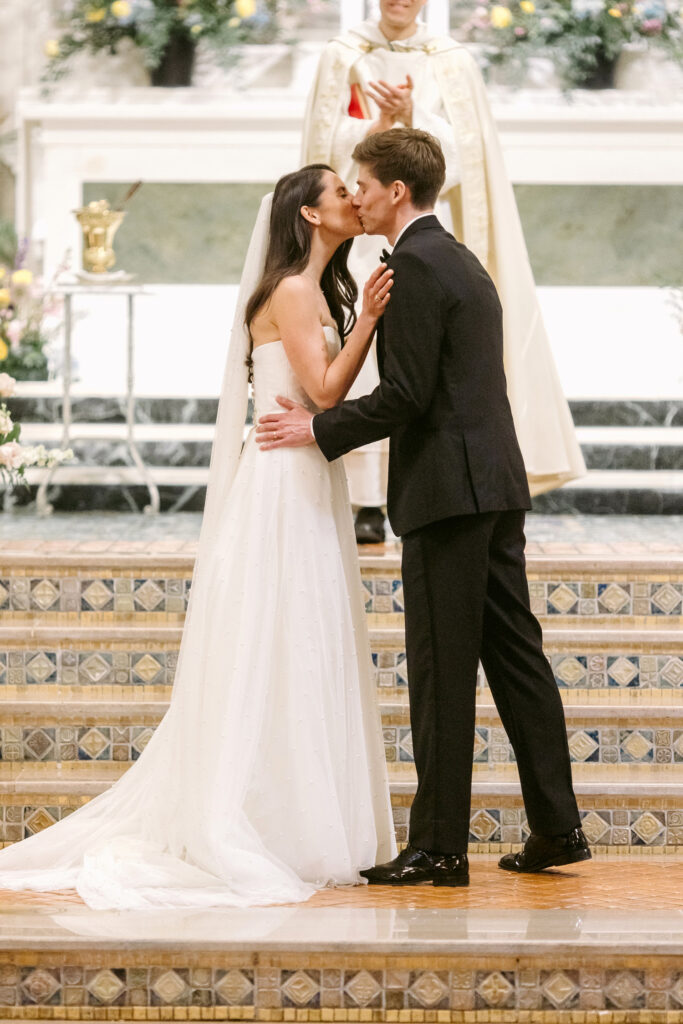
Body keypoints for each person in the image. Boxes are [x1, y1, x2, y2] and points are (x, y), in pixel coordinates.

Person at [0, 166, 396, 908]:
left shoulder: (311, 287)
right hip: (285, 482)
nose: (352, 197)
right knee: (285, 635)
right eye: (339, 190)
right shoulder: (293, 290)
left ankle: (297, 812)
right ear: (309, 213)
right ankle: (282, 822)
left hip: (301, 472)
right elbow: (323, 393)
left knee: (297, 637)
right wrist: (370, 321)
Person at [257, 129, 591, 885]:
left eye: (363, 186)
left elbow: (405, 397)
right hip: (492, 486)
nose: (357, 197)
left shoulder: (411, 265)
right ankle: (557, 826)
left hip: (446, 494)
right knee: (515, 657)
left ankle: (439, 846)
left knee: (441, 669)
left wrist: (316, 429)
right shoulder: (458, 257)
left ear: (395, 192)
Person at [302, 0, 585, 543]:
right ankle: (363, 496)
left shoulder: (450, 60)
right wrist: (376, 128)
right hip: (366, 226)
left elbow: (464, 158)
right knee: (363, 353)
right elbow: (323, 165)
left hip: (418, 228)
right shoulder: (341, 56)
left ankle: (402, 485)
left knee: (417, 360)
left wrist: (413, 120)